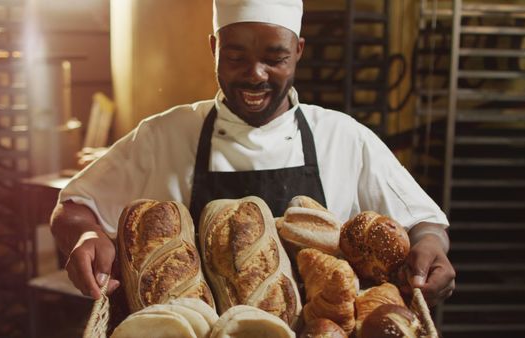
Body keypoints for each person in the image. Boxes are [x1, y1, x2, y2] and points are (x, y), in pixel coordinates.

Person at [50, 0, 455, 309]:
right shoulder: (164, 135)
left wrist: (431, 245)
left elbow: (423, 222)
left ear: (298, 50)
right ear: (213, 47)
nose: (255, 74)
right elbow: (73, 207)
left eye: (275, 58)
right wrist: (84, 236)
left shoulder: (344, 137)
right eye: (235, 56)